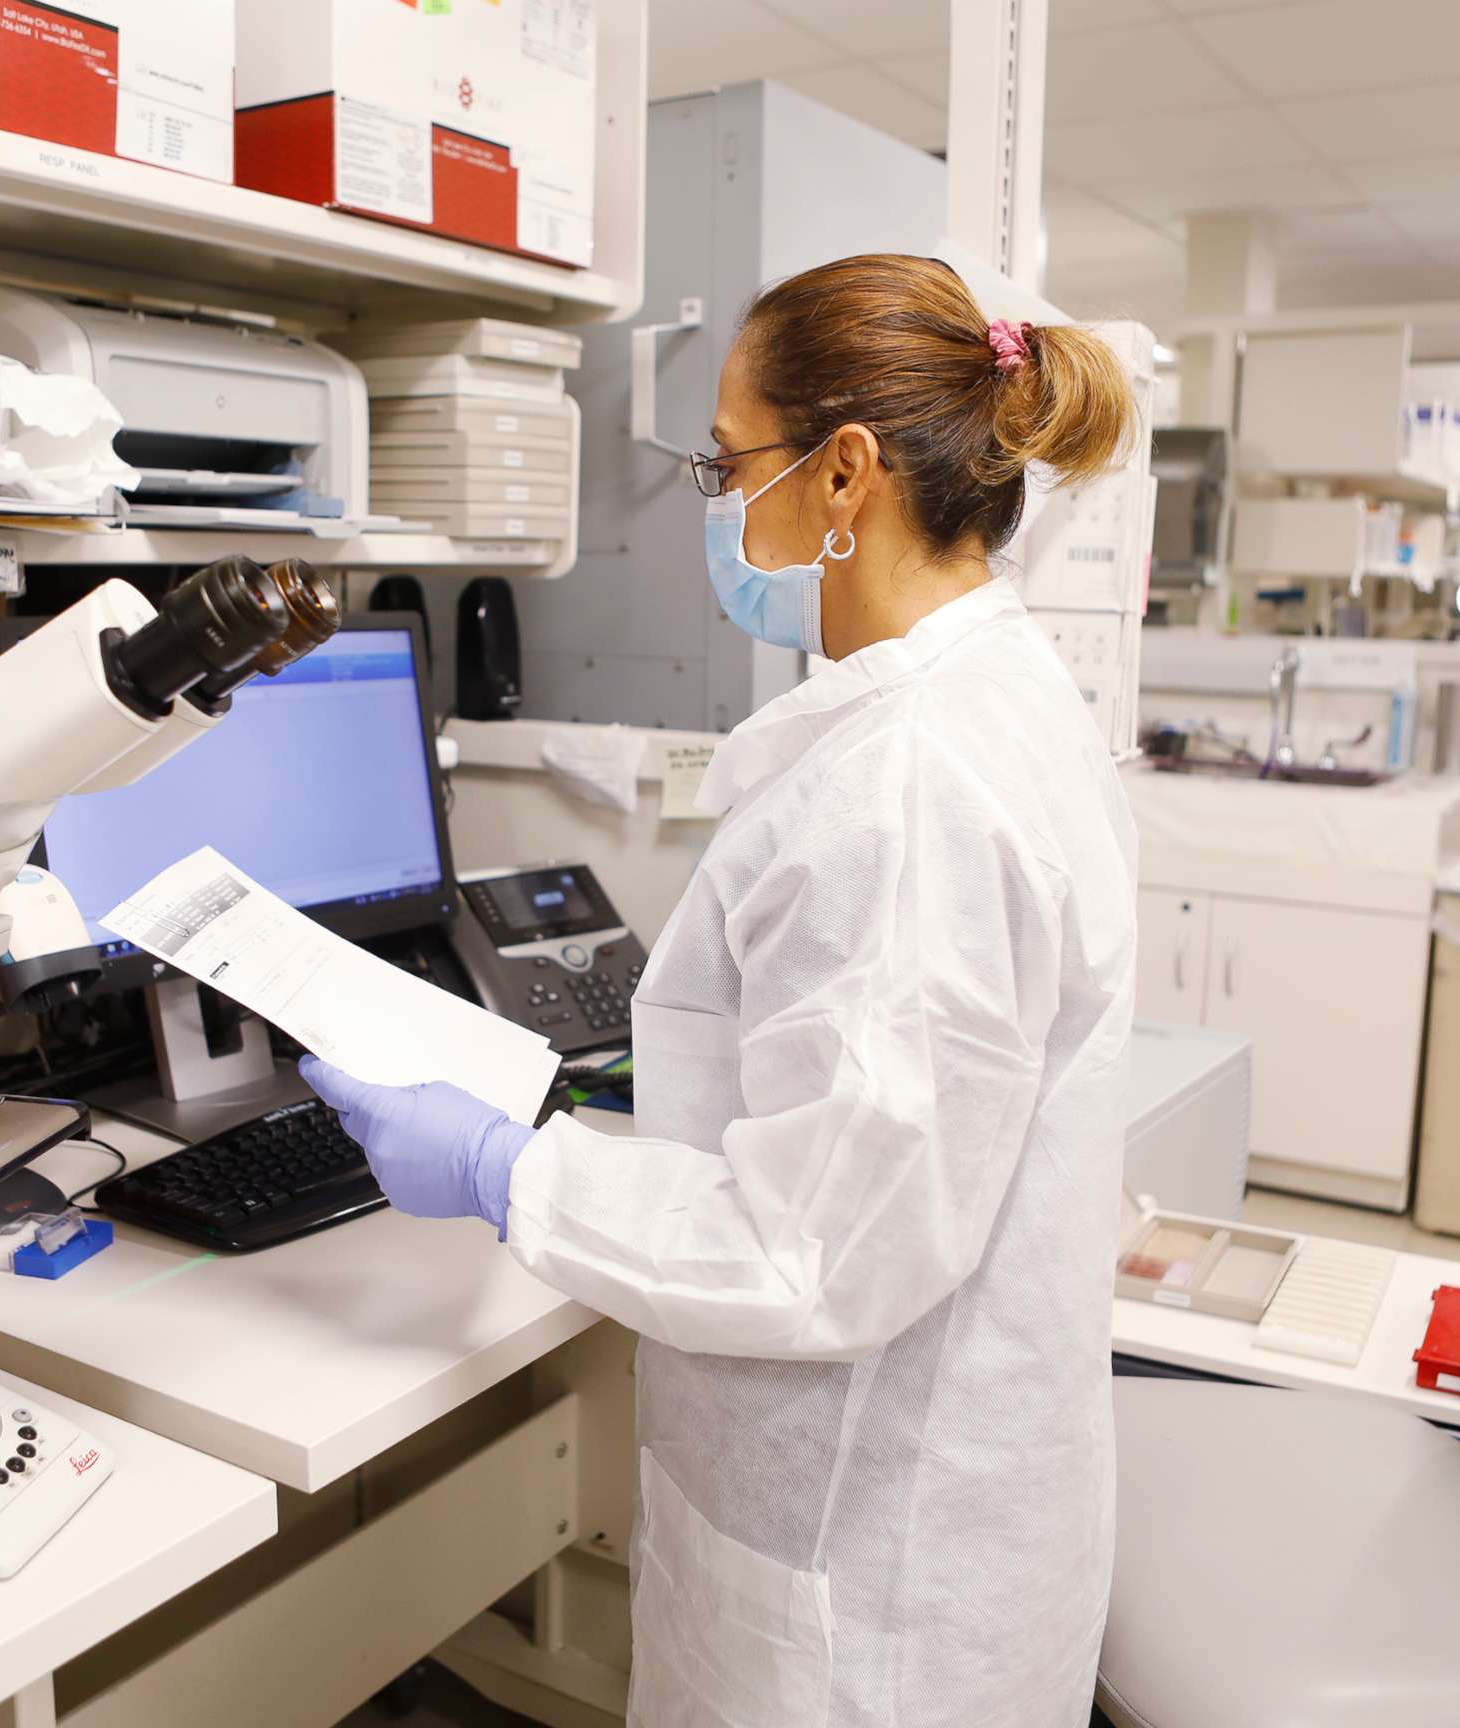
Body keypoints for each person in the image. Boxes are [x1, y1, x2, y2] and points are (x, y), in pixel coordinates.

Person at [301, 255, 1140, 1728]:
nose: (710, 495)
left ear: (845, 476)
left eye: (723, 456)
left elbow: (816, 1252)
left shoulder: (913, 788)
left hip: (864, 1595)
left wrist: (513, 1173)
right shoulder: (977, 701)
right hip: (915, 1506)